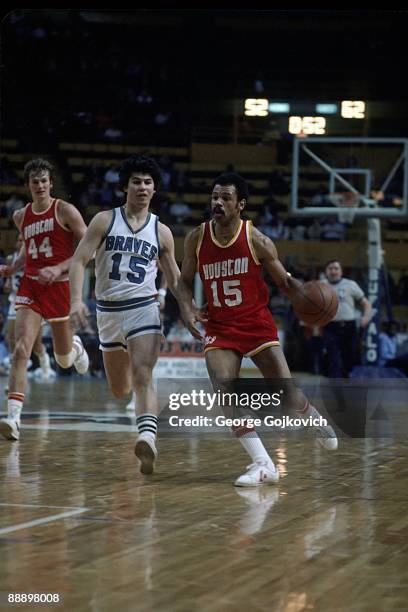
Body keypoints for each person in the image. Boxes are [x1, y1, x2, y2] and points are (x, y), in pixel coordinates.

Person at [177, 172, 338, 488]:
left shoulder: (258, 240)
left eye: (225, 198)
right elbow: (182, 282)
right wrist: (189, 309)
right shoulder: (197, 237)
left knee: (288, 396)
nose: (218, 203)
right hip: (221, 327)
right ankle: (263, 464)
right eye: (215, 197)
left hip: (255, 323)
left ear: (241, 204)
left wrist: (309, 300)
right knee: (224, 388)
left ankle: (312, 416)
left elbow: (285, 283)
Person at [69, 155, 180, 475]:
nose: (142, 186)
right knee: (121, 389)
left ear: (154, 189)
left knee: (144, 373)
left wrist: (187, 311)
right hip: (107, 313)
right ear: (125, 186)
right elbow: (78, 262)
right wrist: (76, 301)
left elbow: (172, 278)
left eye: (147, 182)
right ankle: (142, 420)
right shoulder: (104, 220)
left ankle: (147, 436)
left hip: (143, 309)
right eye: (136, 181)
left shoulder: (162, 230)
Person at [0, 158, 89, 442]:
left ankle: (75, 346)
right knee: (20, 349)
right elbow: (28, 246)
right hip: (31, 287)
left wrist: (59, 268)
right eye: (34, 182)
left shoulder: (65, 210)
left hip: (60, 288)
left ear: (51, 183)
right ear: (28, 186)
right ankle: (13, 417)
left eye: (43, 181)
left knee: (63, 361)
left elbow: (89, 251)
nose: (39, 186)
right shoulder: (20, 216)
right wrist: (15, 266)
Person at [4, 235, 52, 380]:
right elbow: (8, 283)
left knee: (36, 345)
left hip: (34, 301)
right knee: (10, 338)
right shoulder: (10, 259)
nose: (19, 243)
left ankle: (45, 363)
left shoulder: (36, 259)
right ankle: (17, 373)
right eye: (18, 240)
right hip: (15, 300)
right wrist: (7, 283)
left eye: (22, 241)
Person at [322, 260, 371, 377]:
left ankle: (345, 381)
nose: (333, 271)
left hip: (349, 326)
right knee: (333, 359)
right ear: (326, 271)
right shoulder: (320, 285)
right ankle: (335, 389)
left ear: (341, 271)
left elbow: (366, 304)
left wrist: (366, 317)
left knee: (349, 358)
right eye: (330, 268)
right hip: (330, 326)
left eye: (336, 268)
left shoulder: (351, 284)